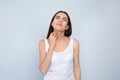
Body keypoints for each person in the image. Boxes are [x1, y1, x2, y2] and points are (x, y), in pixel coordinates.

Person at [39, 11, 81, 80]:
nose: (60, 20)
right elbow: (43, 70)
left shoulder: (74, 43)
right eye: (57, 18)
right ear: (52, 23)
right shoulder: (43, 43)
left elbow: (77, 69)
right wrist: (51, 46)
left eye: (64, 19)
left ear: (67, 27)